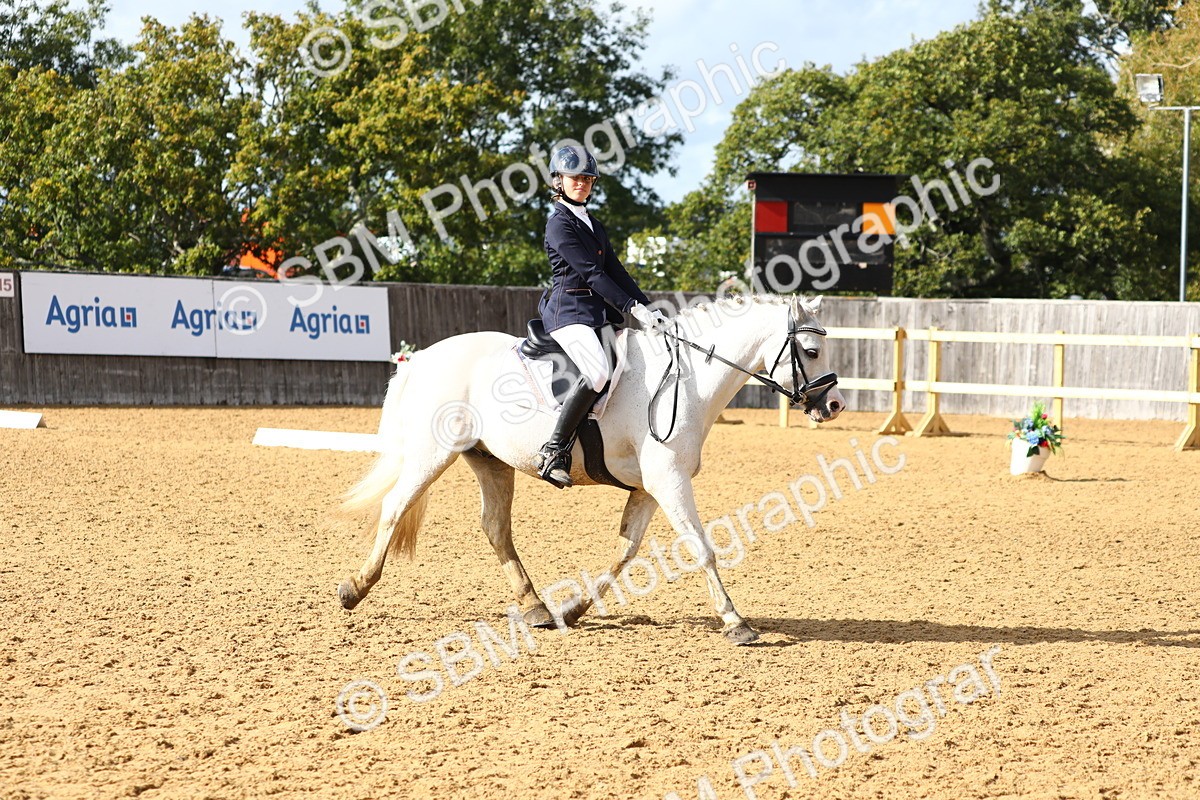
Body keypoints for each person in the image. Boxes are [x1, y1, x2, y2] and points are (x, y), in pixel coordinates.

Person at [533, 144, 665, 488]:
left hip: (595, 314)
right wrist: (630, 307)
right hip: (568, 312)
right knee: (596, 371)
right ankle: (554, 450)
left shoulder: (592, 223)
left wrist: (647, 306)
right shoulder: (558, 224)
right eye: (575, 177)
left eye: (588, 178)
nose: (582, 183)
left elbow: (615, 270)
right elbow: (592, 274)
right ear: (558, 181)